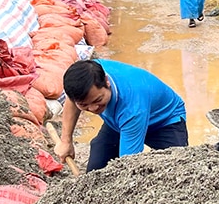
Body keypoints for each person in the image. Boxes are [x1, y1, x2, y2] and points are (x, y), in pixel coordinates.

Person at [55, 59, 188, 172]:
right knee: (95, 171)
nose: (93, 109)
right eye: (84, 105)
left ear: (106, 82)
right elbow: (72, 101)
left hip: (165, 121)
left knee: (178, 169)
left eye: (97, 100)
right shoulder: (86, 75)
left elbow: (127, 164)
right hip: (119, 121)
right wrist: (66, 141)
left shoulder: (132, 107)